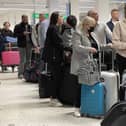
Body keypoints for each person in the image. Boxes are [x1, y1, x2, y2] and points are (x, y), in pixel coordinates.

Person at [70, 16, 97, 117]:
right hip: (79, 64)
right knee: (78, 86)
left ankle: (84, 106)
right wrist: (89, 49)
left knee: (86, 85)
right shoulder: (77, 33)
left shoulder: (90, 34)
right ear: (86, 25)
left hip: (87, 63)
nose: (92, 28)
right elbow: (77, 48)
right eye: (91, 26)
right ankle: (76, 108)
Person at [42, 12, 64, 107]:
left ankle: (53, 97)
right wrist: (69, 48)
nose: (62, 18)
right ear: (56, 18)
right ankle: (53, 98)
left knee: (54, 77)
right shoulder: (53, 28)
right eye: (60, 17)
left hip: (52, 56)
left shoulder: (53, 27)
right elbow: (58, 42)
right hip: (54, 57)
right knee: (55, 78)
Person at [14, 15, 33, 79]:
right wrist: (23, 34)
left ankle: (27, 73)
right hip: (21, 45)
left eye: (27, 18)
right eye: (25, 18)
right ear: (22, 19)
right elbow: (15, 35)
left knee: (29, 60)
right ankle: (20, 73)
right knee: (22, 60)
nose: (26, 19)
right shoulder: (18, 26)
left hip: (29, 44)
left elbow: (32, 35)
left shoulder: (30, 26)